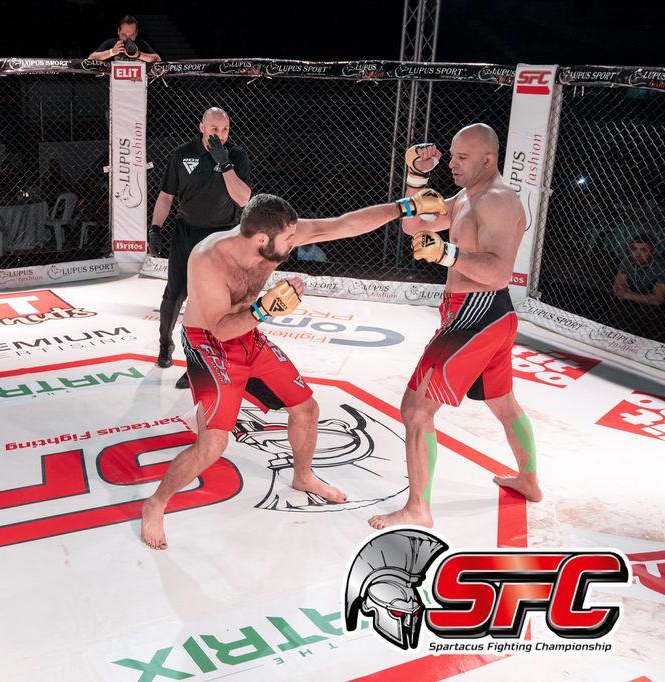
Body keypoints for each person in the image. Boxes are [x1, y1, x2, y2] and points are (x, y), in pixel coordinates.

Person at [140, 190, 448, 549]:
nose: (294, 242)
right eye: (288, 237)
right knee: (213, 443)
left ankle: (303, 477)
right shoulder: (210, 259)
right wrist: (263, 310)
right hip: (209, 341)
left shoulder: (275, 236)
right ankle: (155, 503)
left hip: (247, 334)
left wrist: (404, 207)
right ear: (261, 239)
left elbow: (344, 225)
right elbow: (220, 329)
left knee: (306, 408)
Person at [368, 123, 543, 531]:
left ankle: (418, 508)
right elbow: (415, 226)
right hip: (485, 315)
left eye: (462, 157)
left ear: (488, 159)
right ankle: (529, 481)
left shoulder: (498, 201)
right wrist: (416, 178)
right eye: (451, 155)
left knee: (416, 410)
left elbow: (499, 273)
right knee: (503, 404)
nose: (452, 163)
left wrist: (447, 254)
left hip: (477, 314)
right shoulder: (467, 195)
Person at [152, 107, 252, 389]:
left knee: (208, 302)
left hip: (221, 237)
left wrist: (225, 165)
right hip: (187, 232)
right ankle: (164, 343)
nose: (220, 134)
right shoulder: (182, 154)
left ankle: (197, 364)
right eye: (214, 129)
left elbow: (244, 199)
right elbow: (166, 195)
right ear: (202, 127)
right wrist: (155, 228)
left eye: (225, 129)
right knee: (174, 294)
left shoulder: (236, 154)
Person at [612, 234, 665, 339]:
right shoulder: (627, 262)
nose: (637, 254)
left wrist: (627, 294)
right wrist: (646, 298)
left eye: (644, 250)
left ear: (653, 252)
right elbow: (617, 290)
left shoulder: (661, 267)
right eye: (634, 249)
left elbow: (657, 300)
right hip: (627, 309)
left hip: (654, 314)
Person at [88, 15, 160, 63]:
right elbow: (90, 58)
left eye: (131, 35)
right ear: (118, 31)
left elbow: (158, 59)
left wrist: (138, 54)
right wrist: (112, 52)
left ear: (136, 33)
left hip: (137, 81)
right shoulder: (110, 43)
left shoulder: (141, 44)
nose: (128, 38)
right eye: (124, 35)